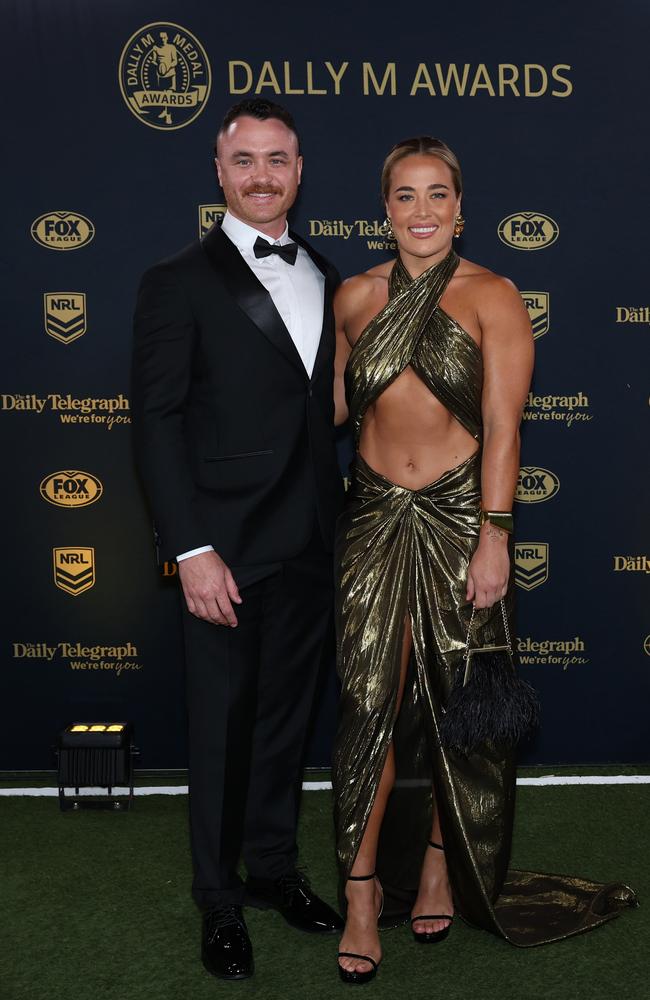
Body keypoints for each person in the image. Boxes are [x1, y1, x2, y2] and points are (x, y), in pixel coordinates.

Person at [331, 137, 637, 984]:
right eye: (404, 195)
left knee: (463, 710)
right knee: (366, 706)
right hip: (371, 521)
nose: (422, 211)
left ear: (461, 208)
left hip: (465, 518)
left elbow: (505, 426)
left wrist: (495, 533)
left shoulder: (494, 295)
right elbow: (328, 412)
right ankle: (361, 894)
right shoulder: (353, 298)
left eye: (438, 195)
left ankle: (439, 863)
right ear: (383, 208)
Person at [132, 99, 344, 983]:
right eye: (245, 159)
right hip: (223, 549)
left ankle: (275, 871)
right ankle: (219, 903)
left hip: (309, 545)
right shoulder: (177, 278)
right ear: (219, 173)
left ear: (299, 171)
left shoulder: (326, 269)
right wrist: (189, 550)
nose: (262, 174)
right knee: (222, 732)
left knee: (285, 729)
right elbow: (155, 423)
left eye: (279, 159)